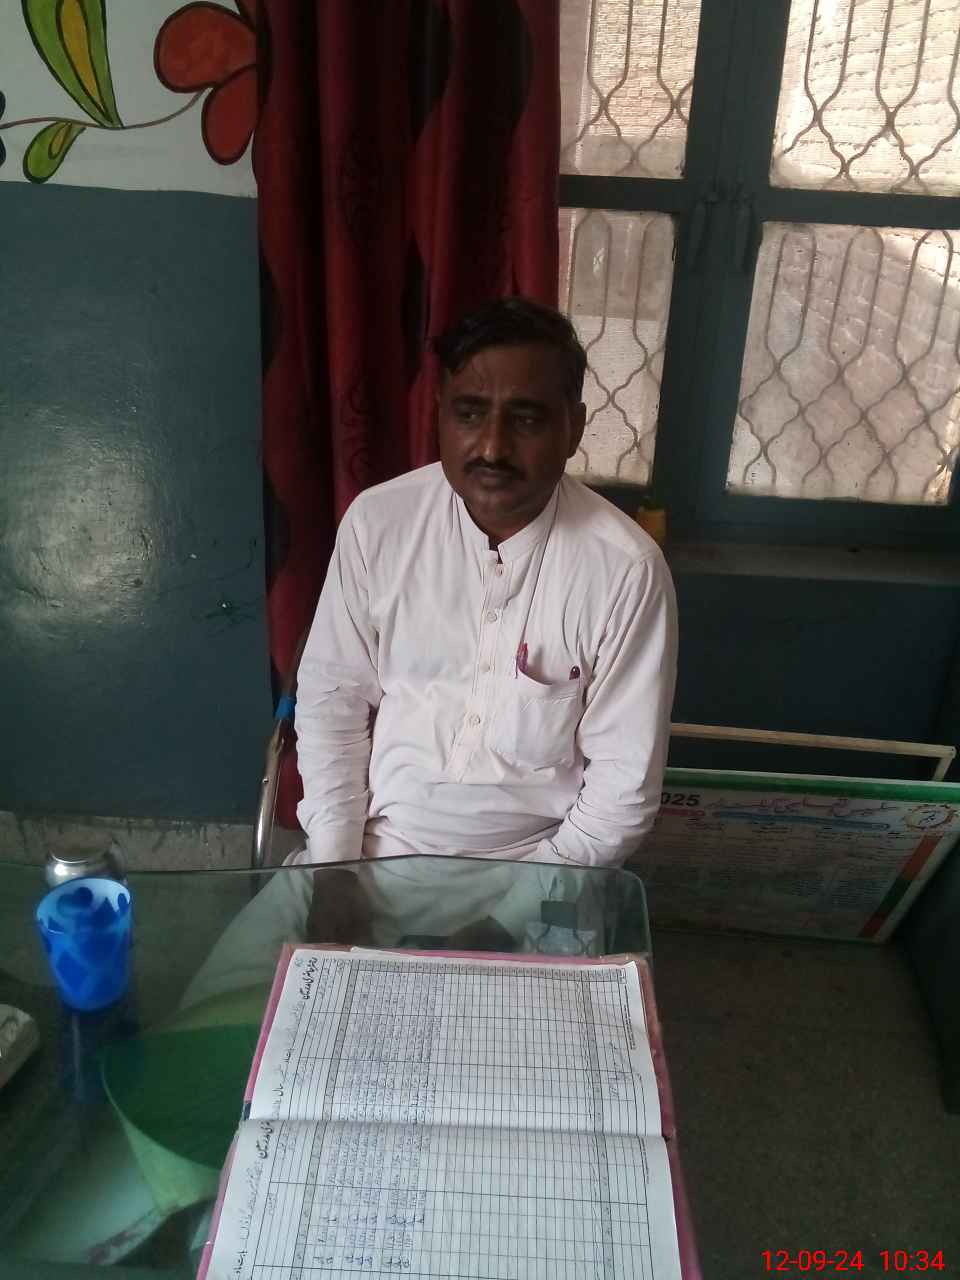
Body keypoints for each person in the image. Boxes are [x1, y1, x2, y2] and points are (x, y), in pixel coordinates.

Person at [292, 296, 678, 946]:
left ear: (574, 428)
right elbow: (333, 703)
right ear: (440, 414)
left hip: (545, 873)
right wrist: (334, 871)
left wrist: (504, 923)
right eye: (469, 413)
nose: (493, 447)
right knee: (238, 1004)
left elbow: (623, 791)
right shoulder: (379, 524)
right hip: (372, 854)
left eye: (526, 419)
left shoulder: (625, 570)